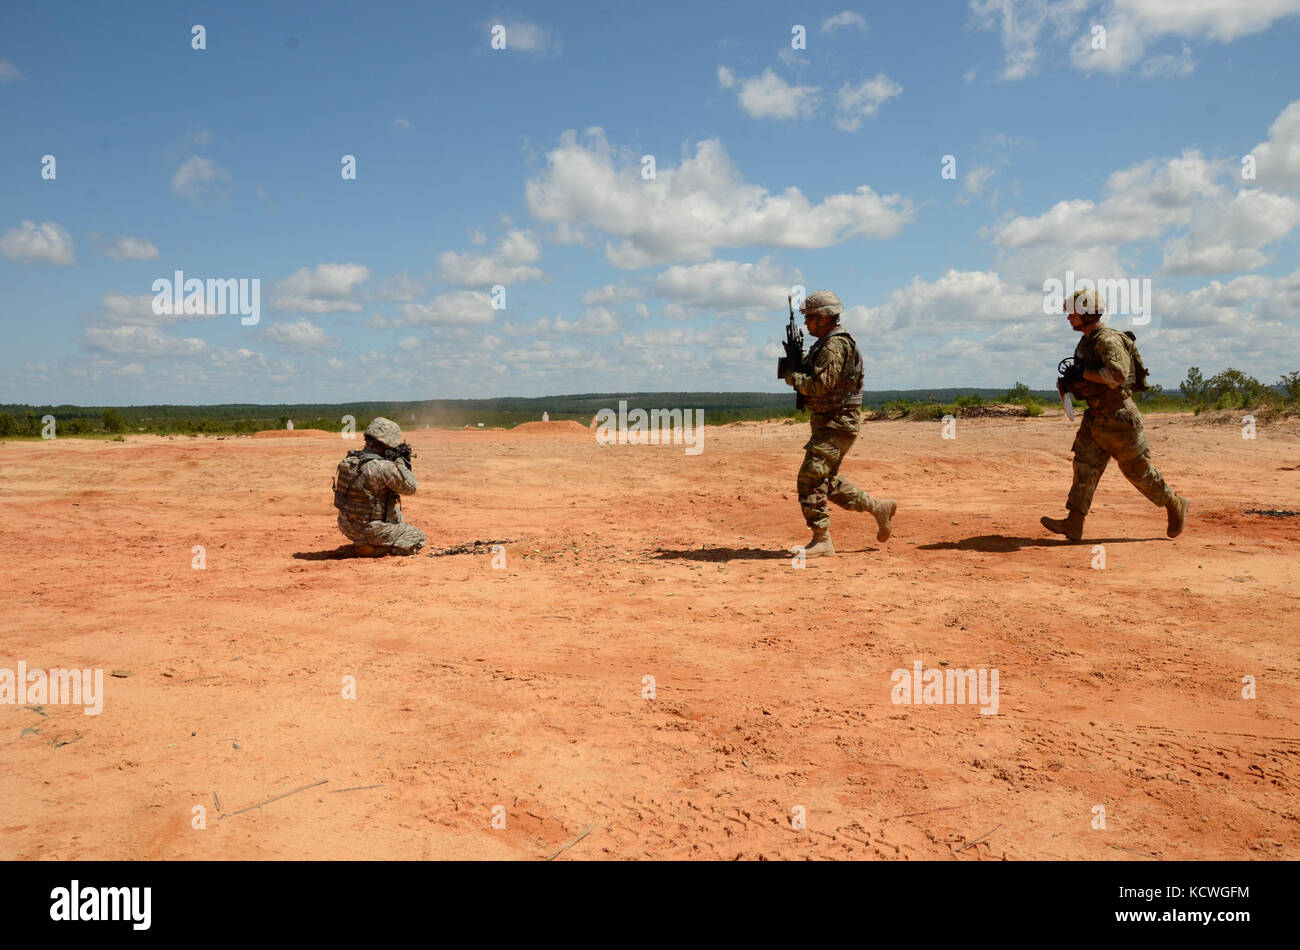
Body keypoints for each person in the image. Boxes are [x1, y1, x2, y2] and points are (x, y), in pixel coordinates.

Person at [1042, 288, 1189, 542]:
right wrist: (1071, 383)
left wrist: (1082, 374)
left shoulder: (1107, 340)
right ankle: (1074, 524)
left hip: (1119, 418)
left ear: (1087, 313)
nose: (1068, 318)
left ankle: (1173, 502)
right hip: (1096, 418)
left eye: (1072, 313)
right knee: (1084, 468)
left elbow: (1118, 375)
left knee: (1138, 473)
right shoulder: (1087, 341)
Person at [782, 290, 896, 558]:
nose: (807, 323)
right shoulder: (825, 343)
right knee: (825, 481)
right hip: (831, 422)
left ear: (824, 318)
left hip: (837, 423)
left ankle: (822, 540)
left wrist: (793, 378)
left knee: (809, 479)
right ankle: (878, 507)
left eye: (810, 317)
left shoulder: (834, 346)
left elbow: (821, 386)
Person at [332, 417, 427, 556]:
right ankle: (377, 549)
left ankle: (366, 542)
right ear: (386, 444)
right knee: (417, 537)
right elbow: (411, 487)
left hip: (346, 525)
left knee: (398, 517)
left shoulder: (349, 460)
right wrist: (401, 463)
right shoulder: (382, 467)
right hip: (371, 530)